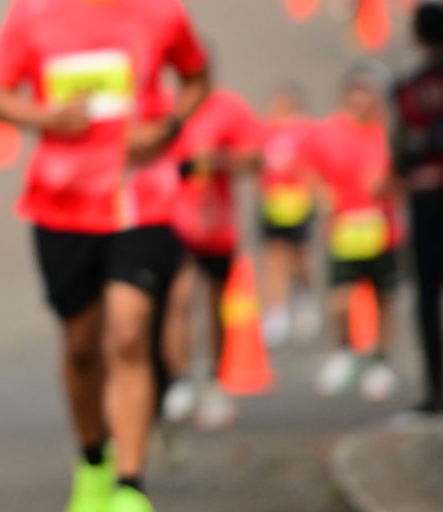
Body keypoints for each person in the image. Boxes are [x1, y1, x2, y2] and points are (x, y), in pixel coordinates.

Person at [0, 0, 209, 512]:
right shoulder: (34, 11)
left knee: (129, 335)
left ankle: (131, 489)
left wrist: (169, 126)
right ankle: (93, 461)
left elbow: (197, 76)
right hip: (61, 203)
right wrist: (46, 116)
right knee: (83, 346)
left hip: (143, 197)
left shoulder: (161, 10)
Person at [161, 85, 260, 432]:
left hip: (217, 224)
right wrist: (184, 165)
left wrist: (218, 160)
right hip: (173, 220)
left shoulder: (229, 108)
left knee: (216, 305)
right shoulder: (164, 103)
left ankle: (216, 381)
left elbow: (255, 157)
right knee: (178, 299)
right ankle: (180, 379)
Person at [308, 63, 399, 402]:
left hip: (382, 230)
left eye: (368, 96)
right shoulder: (327, 132)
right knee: (340, 298)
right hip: (344, 228)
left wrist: (390, 186)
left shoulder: (389, 134)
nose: (361, 103)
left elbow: (406, 177)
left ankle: (380, 361)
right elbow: (309, 170)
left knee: (383, 298)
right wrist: (323, 197)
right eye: (355, 96)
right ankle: (343, 351)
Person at [390, 2, 443, 413]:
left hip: (426, 196)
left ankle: (436, 388)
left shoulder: (408, 89)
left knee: (426, 293)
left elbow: (399, 151)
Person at [257, 82, 322, 349]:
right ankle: (276, 313)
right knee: (274, 258)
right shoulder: (266, 130)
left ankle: (304, 299)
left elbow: (315, 168)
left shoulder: (307, 132)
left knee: (299, 259)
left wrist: (314, 195)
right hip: (273, 204)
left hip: (298, 204)